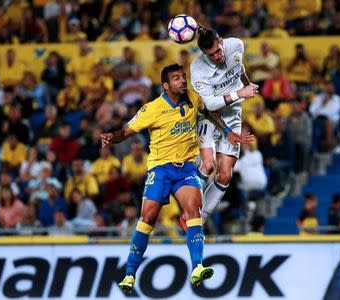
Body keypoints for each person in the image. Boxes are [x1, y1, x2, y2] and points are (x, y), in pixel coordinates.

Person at [100, 64, 253, 293]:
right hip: (160, 170)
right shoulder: (152, 109)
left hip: (186, 170)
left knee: (194, 213)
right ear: (166, 85)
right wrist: (111, 137)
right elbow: (127, 132)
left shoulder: (192, 96)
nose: (182, 81)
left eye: (183, 76)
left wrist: (227, 131)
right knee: (147, 219)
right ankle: (130, 274)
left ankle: (198, 267)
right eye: (176, 78)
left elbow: (209, 112)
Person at [189, 27, 258, 225]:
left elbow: (239, 68)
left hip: (233, 114)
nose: (218, 56)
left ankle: (198, 220)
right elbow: (210, 105)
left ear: (221, 40)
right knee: (208, 164)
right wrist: (240, 93)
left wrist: (248, 84)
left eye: (218, 50)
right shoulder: (198, 69)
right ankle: (188, 202)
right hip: (208, 117)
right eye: (211, 54)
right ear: (203, 53)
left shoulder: (236, 44)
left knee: (226, 175)